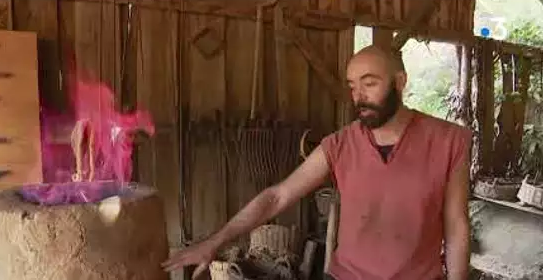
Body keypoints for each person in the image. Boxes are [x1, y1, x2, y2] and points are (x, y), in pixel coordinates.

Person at [162, 45, 472, 280]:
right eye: (352, 86)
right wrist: (215, 241)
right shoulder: (340, 144)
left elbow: (456, 225)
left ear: (400, 82)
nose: (359, 96)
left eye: (370, 83)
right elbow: (277, 196)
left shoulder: (449, 141)